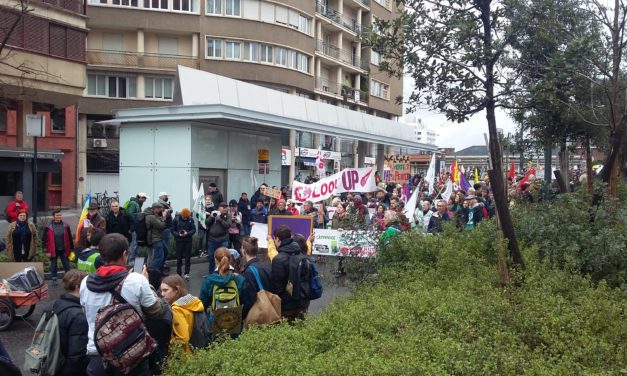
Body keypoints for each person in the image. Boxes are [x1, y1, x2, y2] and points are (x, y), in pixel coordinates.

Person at [80, 233, 164, 376]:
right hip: (131, 354)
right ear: (125, 253)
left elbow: (86, 313)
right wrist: (147, 283)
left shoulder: (85, 283)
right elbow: (156, 311)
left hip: (98, 354)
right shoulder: (136, 280)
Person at [199, 247, 249, 336]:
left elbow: (202, 304)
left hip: (215, 324)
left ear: (215, 260)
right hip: (235, 323)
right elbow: (245, 303)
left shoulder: (208, 280)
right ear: (230, 259)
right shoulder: (239, 279)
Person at [51, 269, 89, 376]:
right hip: (65, 369)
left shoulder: (52, 305)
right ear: (78, 286)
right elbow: (76, 357)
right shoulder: (78, 315)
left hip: (52, 362)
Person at [269, 225, 310, 322]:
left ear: (278, 239)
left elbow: (277, 288)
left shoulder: (278, 259)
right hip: (303, 301)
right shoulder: (300, 252)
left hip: (287, 306)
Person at [159, 275, 204, 352]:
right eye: (161, 291)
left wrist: (168, 344)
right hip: (197, 350)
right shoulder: (192, 302)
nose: (162, 294)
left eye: (165, 290)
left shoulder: (176, 309)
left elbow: (182, 338)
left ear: (176, 289)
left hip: (184, 356)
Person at [239, 236, 271, 319]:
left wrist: (242, 315)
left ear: (244, 251)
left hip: (258, 313)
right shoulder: (267, 264)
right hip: (269, 308)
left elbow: (249, 299)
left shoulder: (249, 272)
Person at [42, 210, 74, 286]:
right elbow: (44, 239)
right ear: (53, 216)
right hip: (53, 250)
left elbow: (69, 237)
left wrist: (72, 249)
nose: (58, 217)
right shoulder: (48, 226)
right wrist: (46, 251)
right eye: (57, 215)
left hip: (64, 249)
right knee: (53, 265)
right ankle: (54, 279)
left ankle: (68, 279)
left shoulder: (66, 225)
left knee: (66, 265)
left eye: (60, 215)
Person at [144, 202, 170, 272]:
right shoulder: (150, 217)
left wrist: (164, 216)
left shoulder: (154, 215)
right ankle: (151, 271)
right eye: (160, 209)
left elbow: (160, 221)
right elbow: (161, 226)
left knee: (165, 252)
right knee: (159, 257)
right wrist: (164, 216)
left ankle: (159, 270)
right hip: (155, 239)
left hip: (159, 238)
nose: (162, 210)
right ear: (155, 209)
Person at [170, 208, 196, 280]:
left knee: (188, 258)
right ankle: (179, 273)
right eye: (184, 217)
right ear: (182, 215)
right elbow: (172, 230)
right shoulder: (176, 220)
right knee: (179, 258)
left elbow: (193, 229)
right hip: (179, 241)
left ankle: (187, 273)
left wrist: (188, 233)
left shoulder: (190, 219)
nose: (185, 218)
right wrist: (178, 234)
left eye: (186, 217)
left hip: (188, 241)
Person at [205, 203, 230, 274]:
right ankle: (212, 274)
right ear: (219, 208)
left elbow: (228, 225)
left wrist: (220, 220)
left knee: (224, 257)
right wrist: (211, 217)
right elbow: (206, 222)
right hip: (212, 240)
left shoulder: (227, 216)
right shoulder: (214, 214)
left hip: (223, 240)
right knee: (211, 257)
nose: (225, 209)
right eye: (223, 207)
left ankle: (223, 272)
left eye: (226, 207)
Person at [126, 193, 149, 264]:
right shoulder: (134, 204)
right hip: (134, 227)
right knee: (134, 244)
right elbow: (130, 215)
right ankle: (131, 261)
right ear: (140, 198)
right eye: (144, 198)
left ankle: (134, 259)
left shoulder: (137, 204)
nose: (145, 200)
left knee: (135, 244)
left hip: (136, 227)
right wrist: (140, 215)